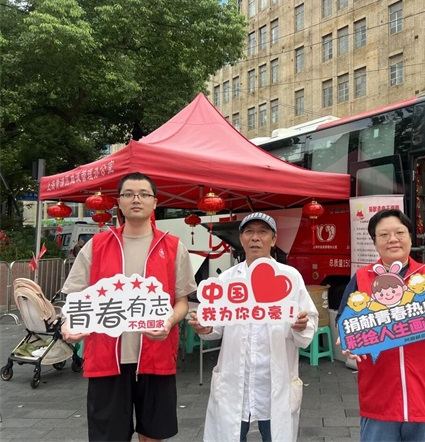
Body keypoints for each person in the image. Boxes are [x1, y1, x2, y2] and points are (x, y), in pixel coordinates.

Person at [61, 172, 197, 442]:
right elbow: (74, 296)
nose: (136, 199)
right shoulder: (97, 245)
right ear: (119, 202)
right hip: (107, 358)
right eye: (129, 194)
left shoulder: (172, 247)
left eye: (144, 194)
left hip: (156, 356)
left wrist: (170, 321)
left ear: (155, 202)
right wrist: (68, 323)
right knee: (108, 436)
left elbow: (182, 300)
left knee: (153, 434)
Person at [189, 212, 319, 442]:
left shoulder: (290, 277)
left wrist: (301, 325)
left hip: (273, 380)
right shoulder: (227, 280)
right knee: (232, 434)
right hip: (235, 381)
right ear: (241, 239)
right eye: (249, 232)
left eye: (262, 232)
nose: (255, 238)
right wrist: (206, 328)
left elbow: (308, 319)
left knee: (274, 434)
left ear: (274, 239)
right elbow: (216, 326)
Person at [336, 208, 425, 442]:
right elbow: (344, 323)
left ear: (410, 238)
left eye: (399, 232)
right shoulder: (362, 278)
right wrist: (348, 342)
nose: (392, 239)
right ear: (375, 242)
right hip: (379, 392)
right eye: (384, 235)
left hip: (424, 390)